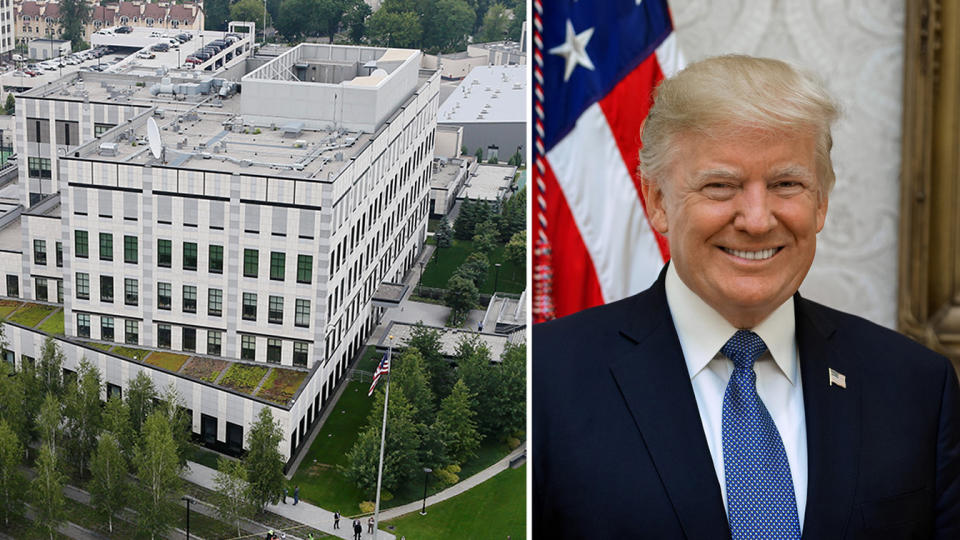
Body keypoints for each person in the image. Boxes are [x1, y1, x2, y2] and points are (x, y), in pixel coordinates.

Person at [532, 55, 960, 538]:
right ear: (657, 202)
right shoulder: (546, 380)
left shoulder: (917, 386)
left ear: (820, 202)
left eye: (786, 184)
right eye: (720, 186)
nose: (757, 220)